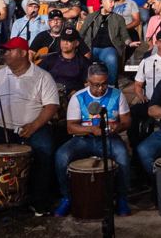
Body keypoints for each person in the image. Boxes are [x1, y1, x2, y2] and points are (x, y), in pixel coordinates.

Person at [0, 36, 58, 216]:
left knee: (45, 152)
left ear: (23, 53)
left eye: (9, 50)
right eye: (5, 50)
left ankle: (38, 200)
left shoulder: (42, 76)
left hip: (33, 127)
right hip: (0, 127)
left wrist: (34, 125)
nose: (5, 53)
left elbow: (51, 106)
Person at [53, 64, 133, 217]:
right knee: (61, 156)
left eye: (104, 83)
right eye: (96, 85)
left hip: (109, 138)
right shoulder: (78, 98)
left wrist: (118, 126)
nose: (101, 88)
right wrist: (92, 129)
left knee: (122, 155)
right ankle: (67, 198)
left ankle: (122, 199)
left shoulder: (117, 94)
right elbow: (71, 128)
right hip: (83, 139)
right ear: (88, 82)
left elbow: (127, 121)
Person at [78, 0, 134, 81]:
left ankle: (112, 85)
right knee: (80, 59)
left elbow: (125, 35)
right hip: (90, 48)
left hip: (108, 49)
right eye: (110, 1)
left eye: (114, 2)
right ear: (103, 2)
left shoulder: (118, 19)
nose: (113, 4)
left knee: (111, 59)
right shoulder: (92, 17)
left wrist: (130, 43)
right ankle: (84, 84)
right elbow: (81, 34)